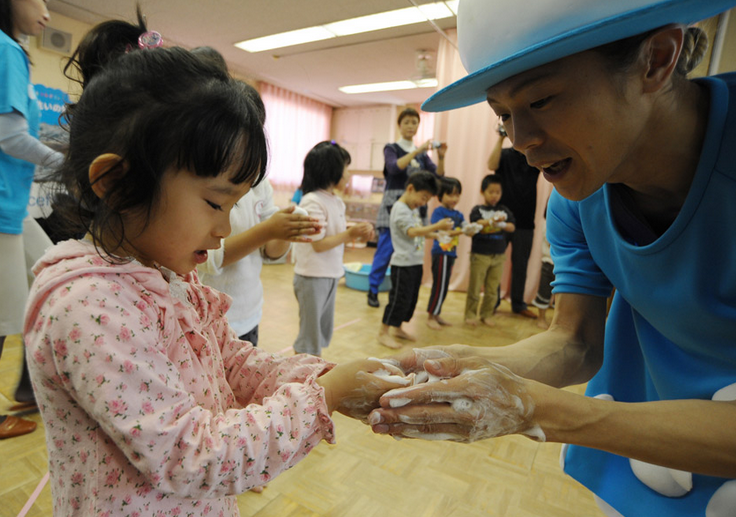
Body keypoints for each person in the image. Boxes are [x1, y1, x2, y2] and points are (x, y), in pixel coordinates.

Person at [367, 0, 736, 515]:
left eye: (541, 100)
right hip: (644, 471)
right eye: (502, 117)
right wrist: (460, 366)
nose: (520, 141)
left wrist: (540, 409)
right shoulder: (577, 199)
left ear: (656, 59)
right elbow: (575, 341)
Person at [21, 21, 403, 516]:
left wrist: (328, 376)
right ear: (115, 181)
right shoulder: (88, 307)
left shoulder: (167, 276)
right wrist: (324, 397)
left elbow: (231, 362)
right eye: (214, 203)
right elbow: (190, 457)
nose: (224, 229)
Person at [192, 49, 322, 348]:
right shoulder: (201, 181)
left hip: (248, 312)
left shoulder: (259, 180)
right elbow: (209, 258)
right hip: (206, 317)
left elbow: (271, 253)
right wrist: (269, 230)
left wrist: (287, 229)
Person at [0, 0, 65, 439]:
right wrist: (66, 166)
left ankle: (40, 386)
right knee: (6, 318)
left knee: (53, 269)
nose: (45, 11)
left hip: (13, 204)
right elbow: (9, 137)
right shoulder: (6, 49)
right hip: (3, 203)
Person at [293, 141, 374, 356]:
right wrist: (350, 234)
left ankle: (312, 370)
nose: (348, 174)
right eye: (346, 168)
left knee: (321, 331)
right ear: (332, 170)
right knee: (309, 337)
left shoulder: (336, 201)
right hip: (312, 276)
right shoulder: (312, 201)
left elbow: (335, 235)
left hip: (329, 274)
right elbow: (318, 244)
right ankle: (305, 377)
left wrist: (359, 231)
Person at [367, 108, 446, 308]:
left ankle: (399, 289)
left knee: (413, 246)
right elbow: (393, 168)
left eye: (414, 122)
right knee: (385, 249)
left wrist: (442, 156)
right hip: (394, 203)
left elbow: (438, 177)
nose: (411, 126)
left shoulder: (422, 156)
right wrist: (419, 150)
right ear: (399, 125)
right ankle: (373, 289)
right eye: (407, 122)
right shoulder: (392, 148)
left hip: (417, 206)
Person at [378, 171, 453, 349]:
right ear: (411, 188)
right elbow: (411, 232)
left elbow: (418, 231)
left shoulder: (412, 210)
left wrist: (437, 234)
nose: (423, 203)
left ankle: (398, 328)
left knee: (410, 299)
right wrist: (437, 226)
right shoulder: (400, 209)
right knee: (398, 300)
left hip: (415, 262)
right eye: (423, 197)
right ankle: (383, 332)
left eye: (427, 200)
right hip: (402, 264)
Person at [487, 125, 540, 319]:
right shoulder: (504, 154)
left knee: (521, 265)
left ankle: (518, 304)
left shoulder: (533, 157)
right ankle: (491, 301)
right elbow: (491, 165)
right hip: (501, 218)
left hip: (525, 220)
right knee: (495, 262)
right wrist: (500, 139)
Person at [464, 175, 516, 327]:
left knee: (493, 289)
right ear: (483, 191)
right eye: (491, 192)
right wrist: (492, 221)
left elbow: (512, 226)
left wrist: (502, 225)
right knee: (475, 287)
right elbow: (477, 223)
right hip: (480, 255)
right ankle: (470, 314)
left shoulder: (504, 210)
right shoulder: (477, 209)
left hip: (499, 255)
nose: (494, 195)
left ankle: (486, 314)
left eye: (498, 192)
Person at [426, 177, 471, 330]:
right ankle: (431, 315)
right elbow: (440, 230)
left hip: (451, 254)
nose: (454, 198)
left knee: (444, 286)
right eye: (450, 194)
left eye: (457, 194)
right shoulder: (439, 212)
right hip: (441, 252)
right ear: (440, 195)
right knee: (439, 285)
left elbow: (466, 227)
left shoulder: (458, 214)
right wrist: (461, 231)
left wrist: (471, 229)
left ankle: (437, 313)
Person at [531, 207, 555, 330]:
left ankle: (556, 321)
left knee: (560, 295)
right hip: (548, 263)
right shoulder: (547, 224)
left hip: (560, 265)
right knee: (544, 292)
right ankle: (541, 317)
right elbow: (552, 241)